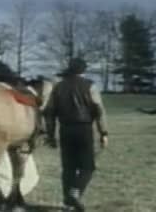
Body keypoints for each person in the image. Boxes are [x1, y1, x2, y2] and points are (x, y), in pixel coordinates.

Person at [44, 58, 108, 212]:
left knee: (68, 168)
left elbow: (50, 113)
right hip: (84, 129)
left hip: (65, 129)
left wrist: (51, 135)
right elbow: (99, 111)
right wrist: (103, 132)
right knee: (87, 167)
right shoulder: (90, 86)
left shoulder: (58, 87)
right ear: (83, 70)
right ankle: (75, 193)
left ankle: (68, 204)